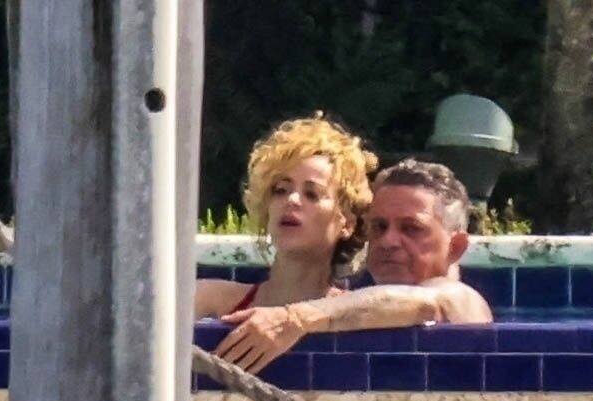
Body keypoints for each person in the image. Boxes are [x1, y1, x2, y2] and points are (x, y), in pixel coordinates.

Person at [215, 159, 492, 373]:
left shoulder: (462, 300)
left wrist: (293, 319)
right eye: (379, 227)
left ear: (456, 247)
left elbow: (425, 303)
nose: (388, 241)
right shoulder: (355, 308)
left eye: (411, 228)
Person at [194, 114, 377, 318]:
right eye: (280, 190)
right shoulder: (209, 300)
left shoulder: (360, 314)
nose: (292, 200)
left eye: (312, 194)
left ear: (347, 223)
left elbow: (407, 301)